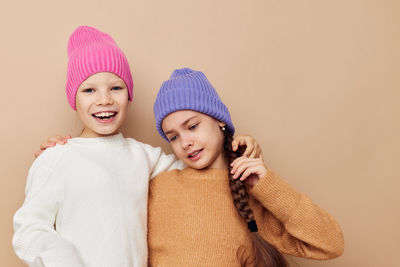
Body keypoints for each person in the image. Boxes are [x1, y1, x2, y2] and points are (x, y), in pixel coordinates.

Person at [12, 26, 259, 267]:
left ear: (129, 96)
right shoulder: (57, 158)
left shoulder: (144, 157)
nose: (104, 99)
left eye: (116, 88)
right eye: (89, 90)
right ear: (73, 100)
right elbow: (29, 228)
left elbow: (201, 162)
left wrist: (236, 145)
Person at [147, 68, 344, 266]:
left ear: (220, 120)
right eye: (173, 137)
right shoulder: (159, 187)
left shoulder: (249, 195)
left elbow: (331, 243)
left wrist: (269, 187)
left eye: (192, 126)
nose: (185, 142)